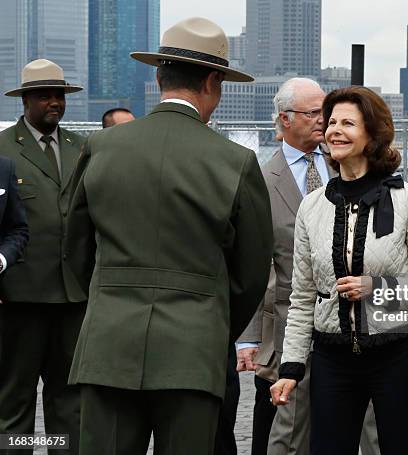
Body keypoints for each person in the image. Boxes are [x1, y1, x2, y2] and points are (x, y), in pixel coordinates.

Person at [64, 17, 273, 455]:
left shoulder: (102, 148)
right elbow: (251, 273)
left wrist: (106, 304)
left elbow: (75, 249)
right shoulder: (234, 161)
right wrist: (211, 321)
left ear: (158, 76)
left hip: (108, 346)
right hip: (193, 352)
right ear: (214, 81)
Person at [270, 86, 408, 454]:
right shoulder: (313, 207)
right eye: (330, 122)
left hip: (397, 356)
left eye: (347, 123)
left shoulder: (406, 200)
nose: (334, 130)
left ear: (372, 134)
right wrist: (290, 368)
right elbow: (302, 298)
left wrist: (377, 287)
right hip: (332, 359)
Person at [237, 77, 380, 455]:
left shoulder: (349, 165)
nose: (324, 120)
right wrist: (248, 338)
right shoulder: (259, 180)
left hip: (353, 323)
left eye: (327, 112)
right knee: (285, 429)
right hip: (285, 325)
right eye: (314, 113)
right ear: (285, 119)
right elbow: (252, 262)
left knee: (360, 424)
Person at [0, 58, 87, 455]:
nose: (55, 102)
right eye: (45, 96)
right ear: (26, 100)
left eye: (60, 96)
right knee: (14, 399)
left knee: (68, 400)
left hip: (72, 298)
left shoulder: (80, 147)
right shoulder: (2, 149)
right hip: (18, 298)